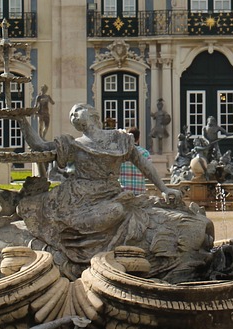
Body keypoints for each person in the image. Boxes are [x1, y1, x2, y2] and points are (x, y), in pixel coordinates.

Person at [17, 104, 218, 281]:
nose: (73, 115)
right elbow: (38, 145)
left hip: (110, 193)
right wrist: (22, 120)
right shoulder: (73, 144)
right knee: (114, 211)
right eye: (71, 114)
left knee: (119, 210)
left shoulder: (118, 139)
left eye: (77, 110)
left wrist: (163, 188)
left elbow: (142, 163)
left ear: (93, 114)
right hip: (77, 197)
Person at [118, 129, 150, 195]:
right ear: (138, 138)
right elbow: (149, 172)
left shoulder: (120, 153)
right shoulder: (145, 153)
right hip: (139, 190)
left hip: (123, 191)